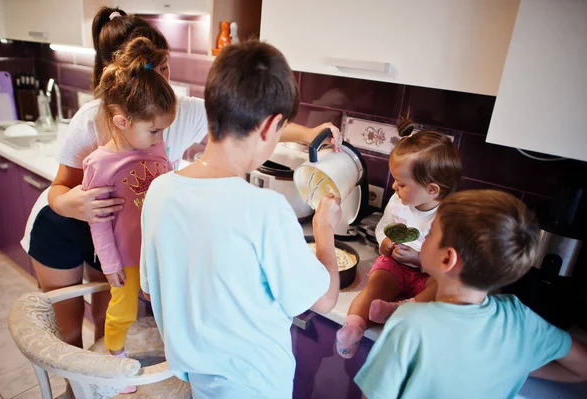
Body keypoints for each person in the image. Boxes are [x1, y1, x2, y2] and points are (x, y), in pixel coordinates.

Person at [20, 6, 342, 351]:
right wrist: (74, 203)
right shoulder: (92, 120)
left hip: (120, 227)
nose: (163, 82)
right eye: (151, 72)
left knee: (108, 317)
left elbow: (241, 119)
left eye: (164, 68)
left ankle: (104, 380)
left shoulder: (175, 124)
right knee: (69, 331)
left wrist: (308, 133)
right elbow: (61, 185)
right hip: (66, 219)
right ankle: (78, 387)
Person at [140, 40, 341, 399]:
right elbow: (324, 299)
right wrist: (325, 227)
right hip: (258, 388)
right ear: (270, 127)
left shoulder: (159, 191)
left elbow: (151, 287)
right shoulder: (265, 210)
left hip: (200, 383)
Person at [355, 189, 587, 398]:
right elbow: (582, 370)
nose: (423, 240)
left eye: (431, 234)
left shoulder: (410, 322)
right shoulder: (521, 320)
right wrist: (517, 362)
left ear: (447, 259)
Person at [82, 37, 175, 393]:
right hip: (125, 257)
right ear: (121, 122)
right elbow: (98, 221)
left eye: (162, 129)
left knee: (165, 308)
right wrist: (109, 262)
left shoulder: (156, 146)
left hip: (157, 251)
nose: (159, 137)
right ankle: (117, 363)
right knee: (122, 311)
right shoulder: (99, 164)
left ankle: (173, 357)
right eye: (153, 129)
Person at [336, 131, 462, 358]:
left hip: (428, 274)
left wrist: (419, 259)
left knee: (441, 287)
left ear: (432, 190)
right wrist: (384, 242)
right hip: (396, 265)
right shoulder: (398, 202)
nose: (394, 187)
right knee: (376, 283)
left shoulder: (449, 215)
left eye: (402, 183)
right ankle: (353, 326)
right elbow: (383, 226)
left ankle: (397, 309)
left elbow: (448, 262)